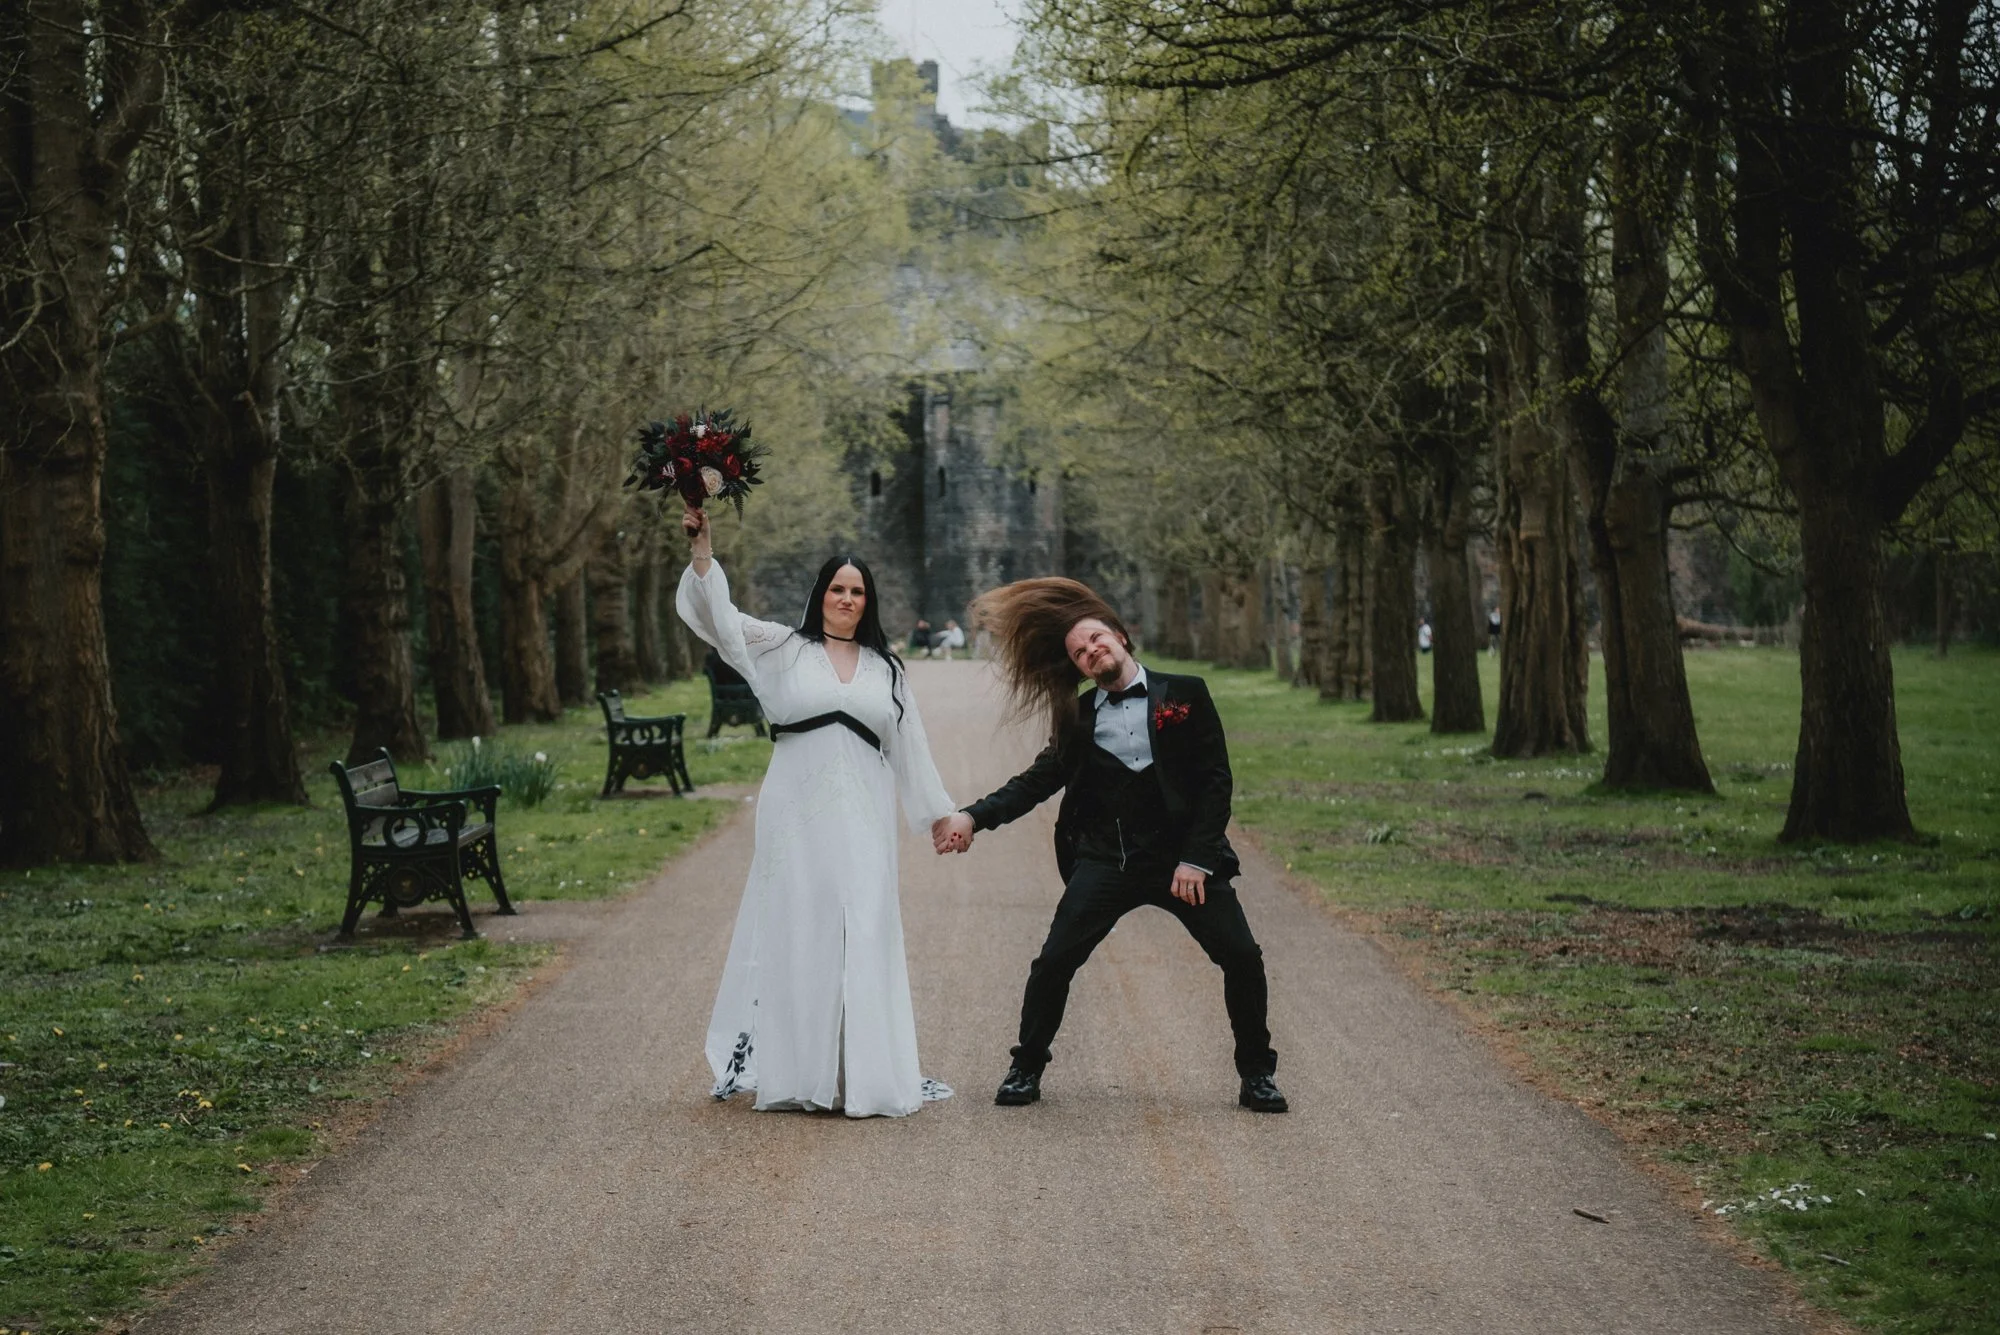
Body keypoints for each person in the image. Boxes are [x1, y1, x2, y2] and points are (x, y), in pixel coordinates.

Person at [933, 577, 1286, 1114]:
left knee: (1242, 956)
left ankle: (1257, 1074)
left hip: (1184, 864)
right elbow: (1038, 780)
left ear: (1121, 636)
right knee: (1053, 962)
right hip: (1108, 861)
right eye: (1079, 652)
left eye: (1096, 640)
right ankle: (1025, 1066)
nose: (1091, 651)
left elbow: (1216, 782)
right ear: (1077, 667)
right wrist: (972, 817)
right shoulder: (1076, 716)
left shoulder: (1186, 694)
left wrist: (1196, 859)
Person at [678, 505, 958, 1117]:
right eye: (838, 588)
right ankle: (800, 1072)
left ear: (870, 601)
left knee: (864, 921)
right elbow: (716, 619)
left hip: (863, 812)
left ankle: (863, 1071)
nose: (847, 599)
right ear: (821, 594)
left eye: (858, 591)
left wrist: (940, 815)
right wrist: (704, 550)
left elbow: (912, 748)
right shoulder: (782, 647)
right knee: (801, 921)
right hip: (795, 809)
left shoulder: (889, 670)